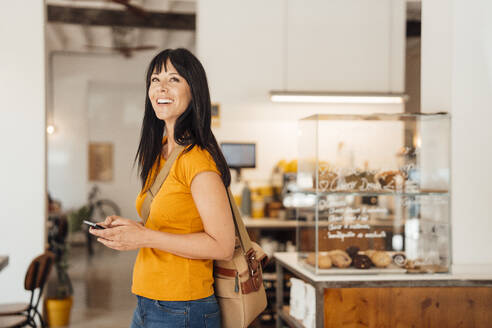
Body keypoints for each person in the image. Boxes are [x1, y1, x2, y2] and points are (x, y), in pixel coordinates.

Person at [89, 48, 235, 328]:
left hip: (184, 308)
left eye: (174, 79)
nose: (161, 88)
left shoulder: (197, 160)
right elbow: (174, 223)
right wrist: (132, 228)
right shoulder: (160, 152)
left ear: (195, 91)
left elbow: (223, 245)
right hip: (147, 300)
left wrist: (144, 237)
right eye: (155, 80)